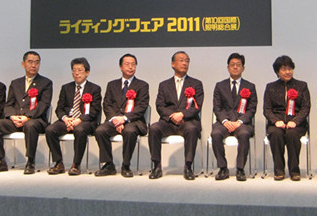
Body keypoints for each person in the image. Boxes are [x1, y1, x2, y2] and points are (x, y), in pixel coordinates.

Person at [0, 51, 52, 174]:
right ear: (23, 64)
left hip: (35, 120)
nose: (33, 65)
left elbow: (44, 105)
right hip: (16, 119)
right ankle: (1, 160)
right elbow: (9, 104)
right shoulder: (15, 83)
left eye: (37, 62)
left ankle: (30, 161)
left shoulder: (46, 83)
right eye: (30, 62)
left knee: (30, 125)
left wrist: (27, 117)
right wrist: (12, 117)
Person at [148, 51, 204, 180]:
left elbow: (197, 106)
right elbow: (160, 105)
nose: (185, 63)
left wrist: (182, 114)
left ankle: (188, 167)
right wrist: (173, 116)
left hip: (187, 121)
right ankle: (157, 166)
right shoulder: (164, 85)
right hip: (168, 122)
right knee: (154, 128)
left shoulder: (196, 84)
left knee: (192, 129)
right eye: (181, 60)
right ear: (173, 64)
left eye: (187, 61)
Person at [94, 53, 149, 178]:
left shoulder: (142, 85)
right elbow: (107, 104)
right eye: (127, 64)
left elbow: (141, 106)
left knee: (130, 132)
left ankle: (126, 165)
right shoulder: (112, 85)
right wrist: (115, 119)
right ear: (120, 67)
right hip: (114, 120)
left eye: (133, 64)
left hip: (133, 121)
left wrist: (124, 119)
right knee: (100, 130)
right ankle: (108, 165)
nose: (130, 67)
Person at [46, 57, 102, 176]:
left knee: (80, 130)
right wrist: (65, 118)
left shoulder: (94, 89)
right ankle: (58, 163)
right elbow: (59, 109)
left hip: (86, 121)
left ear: (87, 72)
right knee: (50, 130)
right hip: (68, 120)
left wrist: (79, 120)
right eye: (74, 70)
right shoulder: (66, 88)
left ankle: (76, 164)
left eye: (80, 70)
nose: (77, 73)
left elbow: (95, 111)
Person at [211, 53, 257, 182]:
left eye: (238, 65)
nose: (235, 67)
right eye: (232, 65)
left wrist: (240, 121)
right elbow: (217, 107)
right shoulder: (220, 86)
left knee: (244, 134)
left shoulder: (250, 86)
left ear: (243, 68)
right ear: (228, 68)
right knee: (215, 134)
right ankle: (223, 168)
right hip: (224, 123)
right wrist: (225, 121)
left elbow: (252, 109)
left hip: (242, 123)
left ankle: (240, 169)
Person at [263, 55, 310, 181]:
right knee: (275, 134)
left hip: (296, 124)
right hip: (277, 123)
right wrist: (275, 121)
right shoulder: (270, 87)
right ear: (277, 71)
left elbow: (306, 107)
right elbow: (267, 109)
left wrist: (295, 121)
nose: (288, 72)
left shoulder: (302, 86)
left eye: (290, 69)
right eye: (284, 69)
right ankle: (279, 170)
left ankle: (294, 170)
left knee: (292, 134)